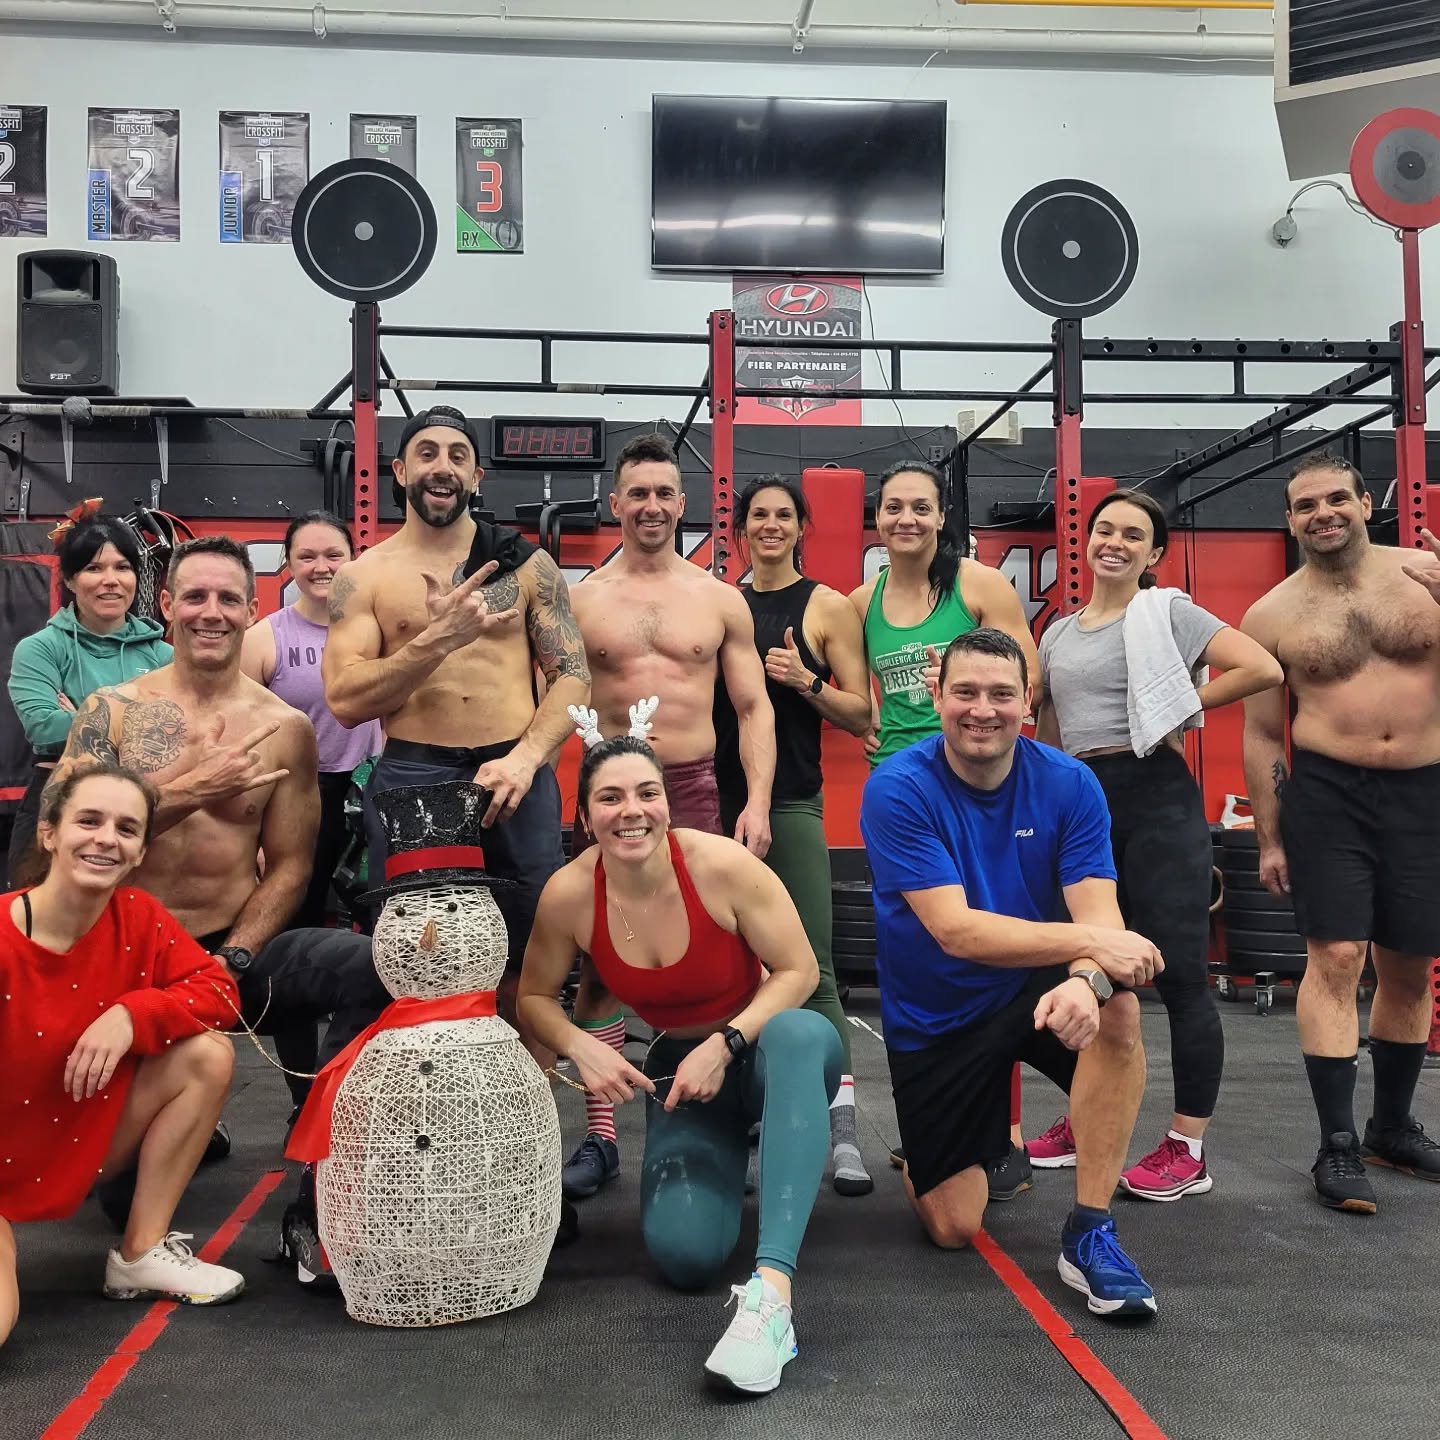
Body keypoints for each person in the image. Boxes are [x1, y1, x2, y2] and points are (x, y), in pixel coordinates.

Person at [517, 709, 840, 1395]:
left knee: (799, 1032)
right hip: (680, 1076)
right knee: (686, 1258)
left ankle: (773, 1294)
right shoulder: (571, 894)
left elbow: (800, 972)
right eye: (610, 798)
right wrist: (578, 1044)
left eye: (647, 793)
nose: (631, 811)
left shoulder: (720, 865)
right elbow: (535, 999)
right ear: (586, 817)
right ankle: (737, 1159)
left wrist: (727, 1042)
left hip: (767, 1050)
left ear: (667, 801)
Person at [861, 628, 1161, 1318]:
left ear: (1027, 701)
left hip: (1031, 984)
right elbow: (956, 931)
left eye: (1001, 694)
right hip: (938, 1013)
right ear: (936, 697)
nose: (982, 710)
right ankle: (938, 1150)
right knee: (955, 1228)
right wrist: (1095, 947)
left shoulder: (1069, 782)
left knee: (1117, 1010)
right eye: (964, 692)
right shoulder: (897, 788)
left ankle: (1090, 1231)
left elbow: (1098, 908)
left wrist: (1086, 981)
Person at [1032, 489, 1282, 1198]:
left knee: (1178, 979)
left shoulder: (1167, 612)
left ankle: (1186, 1149)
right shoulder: (1057, 635)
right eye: (1104, 529)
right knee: (1089, 968)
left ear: (1154, 553)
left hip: (1157, 797)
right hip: (1083, 802)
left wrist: (1176, 704)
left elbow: (1262, 668)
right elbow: (1050, 735)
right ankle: (1089, 1117)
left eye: (1132, 535)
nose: (1114, 542)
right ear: (1086, 540)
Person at [562, 434, 775, 1200]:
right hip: (605, 791)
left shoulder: (719, 600)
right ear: (614, 503)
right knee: (599, 960)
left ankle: (721, 1118)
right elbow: (551, 703)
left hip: (690, 788)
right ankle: (601, 1135)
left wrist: (757, 801)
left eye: (663, 494)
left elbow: (752, 707)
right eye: (637, 494)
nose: (650, 506)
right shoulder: (581, 601)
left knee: (717, 959)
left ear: (683, 505)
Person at [322, 405, 589, 1014]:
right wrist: (436, 640)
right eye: (427, 454)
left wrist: (526, 759)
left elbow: (573, 677)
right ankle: (427, 1074)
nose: (442, 467)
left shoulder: (526, 565)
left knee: (532, 953)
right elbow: (345, 701)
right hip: (416, 776)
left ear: (476, 477)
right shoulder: (364, 577)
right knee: (417, 956)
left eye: (457, 456)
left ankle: (523, 1076)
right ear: (399, 471)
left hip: (514, 776)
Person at [1241, 453, 1440, 1213]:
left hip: (1425, 788)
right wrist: (1269, 838)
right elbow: (1263, 734)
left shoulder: (1423, 577)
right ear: (1290, 521)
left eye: (1335, 499)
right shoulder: (1271, 614)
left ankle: (1392, 1127)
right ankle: (1337, 1142)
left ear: (1364, 503)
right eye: (1305, 506)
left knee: (1410, 964)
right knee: (1336, 956)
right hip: (1328, 794)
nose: (1322, 514)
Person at [2, 762, 244, 1346]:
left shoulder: (138, 917)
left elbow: (219, 992)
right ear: (49, 833)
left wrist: (134, 1015)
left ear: (139, 852)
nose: (107, 838)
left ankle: (141, 1253)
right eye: (89, 820)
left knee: (206, 1056)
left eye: (126, 828)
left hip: (79, 1137)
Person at [851, 460, 1043, 1192]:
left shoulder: (979, 586)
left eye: (920, 507)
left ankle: (1007, 1134)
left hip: (980, 787)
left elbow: (1027, 681)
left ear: (941, 516)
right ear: (878, 518)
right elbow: (860, 698)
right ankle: (935, 1118)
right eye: (893, 506)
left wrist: (964, 694)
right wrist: (859, 717)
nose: (906, 519)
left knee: (995, 953)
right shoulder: (860, 601)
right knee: (918, 959)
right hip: (902, 797)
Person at [714, 476, 875, 1197]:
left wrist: (806, 680)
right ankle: (752, 1125)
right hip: (716, 807)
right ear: (741, 528)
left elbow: (862, 714)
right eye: (760, 515)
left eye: (784, 515)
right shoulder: (722, 603)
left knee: (814, 971)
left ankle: (842, 1130)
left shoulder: (826, 606)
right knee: (732, 976)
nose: (772, 525)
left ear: (801, 526)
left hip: (790, 805)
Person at [7, 511, 172, 885]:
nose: (110, 580)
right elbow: (44, 728)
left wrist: (84, 714)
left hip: (145, 801)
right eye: (94, 568)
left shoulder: (164, 656)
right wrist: (140, 715)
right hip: (57, 795)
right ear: (70, 579)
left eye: (122, 567)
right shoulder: (40, 649)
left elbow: (177, 732)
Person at [241, 510, 383, 928]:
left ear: (353, 558)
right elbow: (245, 738)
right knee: (297, 914)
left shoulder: (378, 633)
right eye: (307, 557)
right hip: (297, 792)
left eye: (333, 555)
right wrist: (255, 833)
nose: (321, 567)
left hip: (367, 787)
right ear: (288, 562)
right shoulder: (264, 639)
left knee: (376, 916)